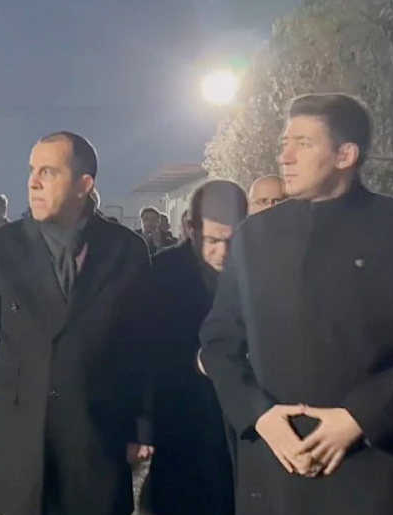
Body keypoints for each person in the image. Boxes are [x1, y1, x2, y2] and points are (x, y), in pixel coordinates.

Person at [199, 93, 393, 515]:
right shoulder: (253, 237)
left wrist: (360, 418)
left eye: (303, 143)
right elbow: (218, 340)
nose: (285, 156)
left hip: (374, 470)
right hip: (275, 467)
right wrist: (259, 416)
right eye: (284, 143)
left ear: (345, 155)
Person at [0, 131, 152, 515]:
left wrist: (142, 428)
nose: (33, 182)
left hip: (96, 433)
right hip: (22, 432)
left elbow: (142, 347)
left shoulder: (126, 250)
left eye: (48, 172)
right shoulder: (2, 247)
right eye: (32, 171)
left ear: (84, 184)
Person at [140, 180, 247, 515]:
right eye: (213, 240)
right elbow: (145, 353)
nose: (223, 252)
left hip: (237, 416)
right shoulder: (161, 273)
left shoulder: (257, 270)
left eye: (232, 240)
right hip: (178, 413)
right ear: (191, 229)